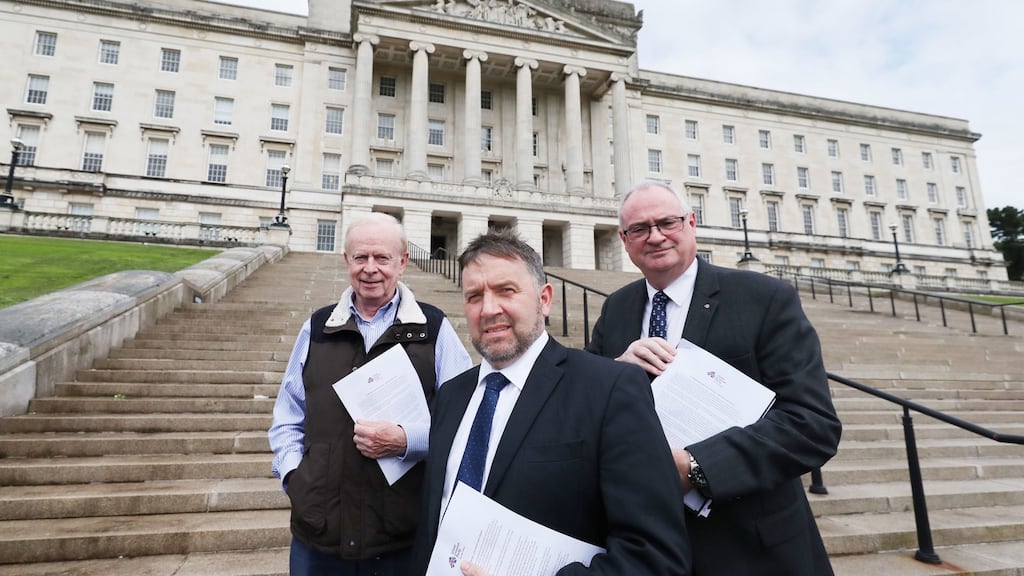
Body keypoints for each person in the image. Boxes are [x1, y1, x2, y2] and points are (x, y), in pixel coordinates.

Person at [586, 180, 842, 575]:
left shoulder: (764, 298)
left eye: (667, 223)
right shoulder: (616, 309)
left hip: (751, 548)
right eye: (639, 229)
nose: (654, 237)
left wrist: (694, 467)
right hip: (646, 548)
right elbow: (583, 410)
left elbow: (812, 424)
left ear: (691, 223)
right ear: (624, 240)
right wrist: (614, 371)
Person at [411, 230, 692, 576]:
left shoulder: (610, 388)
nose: (488, 309)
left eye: (506, 291)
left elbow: (654, 556)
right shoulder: (452, 395)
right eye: (474, 296)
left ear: (544, 299)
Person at [268, 212, 473, 575]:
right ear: (347, 260)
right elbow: (288, 415)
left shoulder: (434, 328)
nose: (370, 268)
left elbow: (465, 422)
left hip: (401, 537)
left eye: (382, 258)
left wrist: (406, 440)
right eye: (361, 257)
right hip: (319, 534)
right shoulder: (316, 327)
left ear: (403, 262)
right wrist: (294, 479)